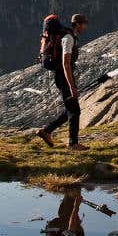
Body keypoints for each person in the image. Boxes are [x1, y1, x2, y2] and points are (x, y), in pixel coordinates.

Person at [37, 13, 88, 150]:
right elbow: (66, 64)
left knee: (70, 109)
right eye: (84, 23)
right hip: (63, 76)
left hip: (61, 75)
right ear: (77, 24)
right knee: (74, 110)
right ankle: (73, 144)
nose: (85, 26)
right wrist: (72, 87)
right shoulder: (68, 38)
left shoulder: (67, 35)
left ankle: (46, 131)